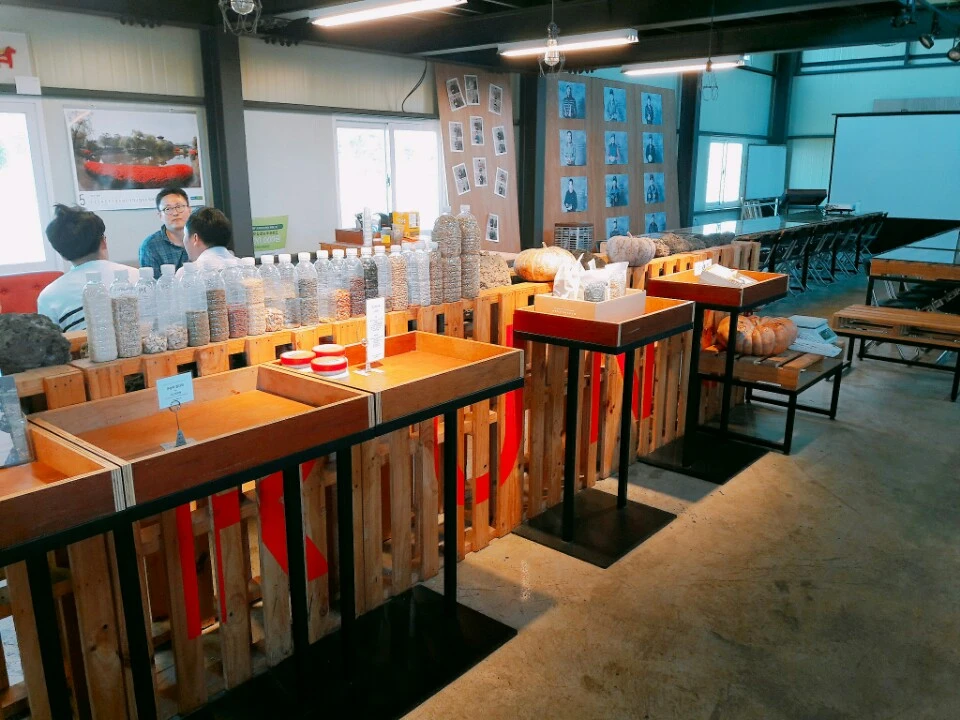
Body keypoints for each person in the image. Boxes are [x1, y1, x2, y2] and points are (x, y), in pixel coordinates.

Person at [37, 204, 139, 331]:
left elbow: (50, 341)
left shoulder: (49, 296)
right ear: (103, 242)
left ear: (62, 255)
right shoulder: (137, 277)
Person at [139, 187, 190, 278]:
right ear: (160, 216)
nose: (175, 213)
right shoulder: (150, 246)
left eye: (179, 207)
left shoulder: (203, 237)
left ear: (189, 210)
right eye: (168, 209)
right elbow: (151, 283)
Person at [180, 207, 235, 273]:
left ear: (195, 238)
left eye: (185, 235)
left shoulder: (186, 273)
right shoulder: (244, 266)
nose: (183, 241)